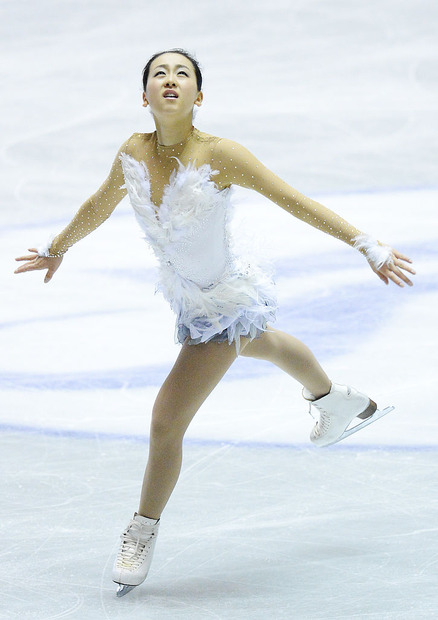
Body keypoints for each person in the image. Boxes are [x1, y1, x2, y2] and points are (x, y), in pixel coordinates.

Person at [14, 48, 415, 596]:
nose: (171, 80)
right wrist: (58, 247)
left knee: (164, 422)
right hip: (189, 298)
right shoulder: (133, 150)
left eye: (183, 74)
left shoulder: (220, 154)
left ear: (198, 96)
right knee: (265, 344)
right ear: (146, 95)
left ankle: (141, 529)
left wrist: (366, 244)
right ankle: (334, 399)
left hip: (221, 303)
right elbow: (101, 201)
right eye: (160, 73)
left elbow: (292, 199)